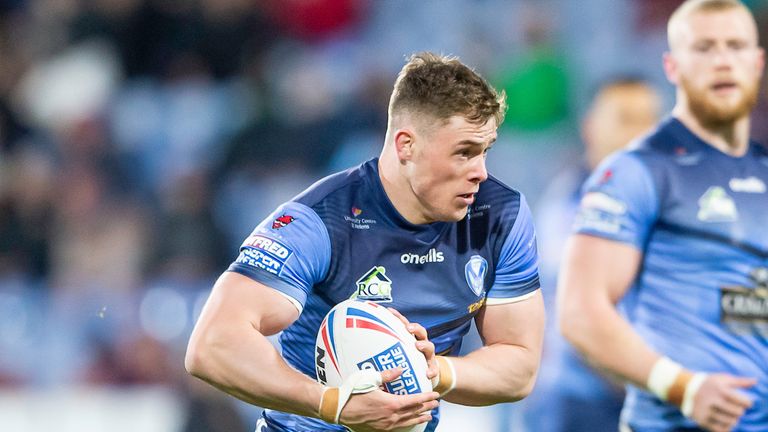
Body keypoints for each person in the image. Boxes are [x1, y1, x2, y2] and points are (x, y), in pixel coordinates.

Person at [185, 52, 545, 432]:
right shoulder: (320, 220)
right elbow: (212, 345)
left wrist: (435, 369)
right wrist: (332, 405)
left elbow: (519, 366)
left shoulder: (498, 215)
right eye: (464, 152)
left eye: (485, 151)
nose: (481, 173)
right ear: (406, 145)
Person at [558, 1, 767, 431]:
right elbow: (580, 310)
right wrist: (683, 387)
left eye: (736, 46)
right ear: (672, 66)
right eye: (704, 48)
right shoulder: (637, 170)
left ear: (758, 61)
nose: (723, 60)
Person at [522, 77, 661, 431]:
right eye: (626, 118)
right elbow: (579, 324)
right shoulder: (570, 207)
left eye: (650, 118)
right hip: (581, 404)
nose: (641, 132)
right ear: (589, 127)